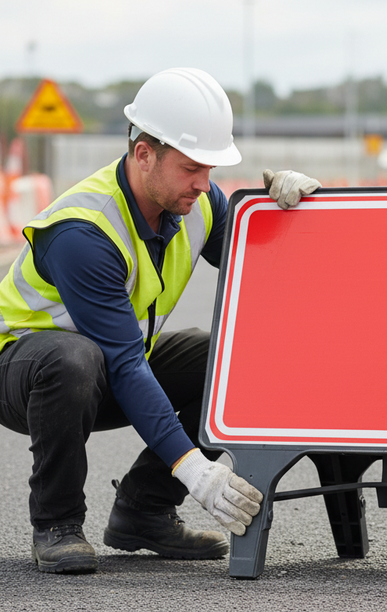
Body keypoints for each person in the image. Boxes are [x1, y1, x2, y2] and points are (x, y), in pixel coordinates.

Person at [0, 67, 321, 574]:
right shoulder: (84, 232)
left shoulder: (198, 202)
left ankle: (144, 510)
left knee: (221, 357)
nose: (204, 184)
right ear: (143, 153)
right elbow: (123, 363)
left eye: (211, 170)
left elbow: (256, 268)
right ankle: (57, 524)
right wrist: (196, 471)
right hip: (27, 373)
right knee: (73, 357)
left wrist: (289, 213)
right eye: (192, 167)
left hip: (109, 365)